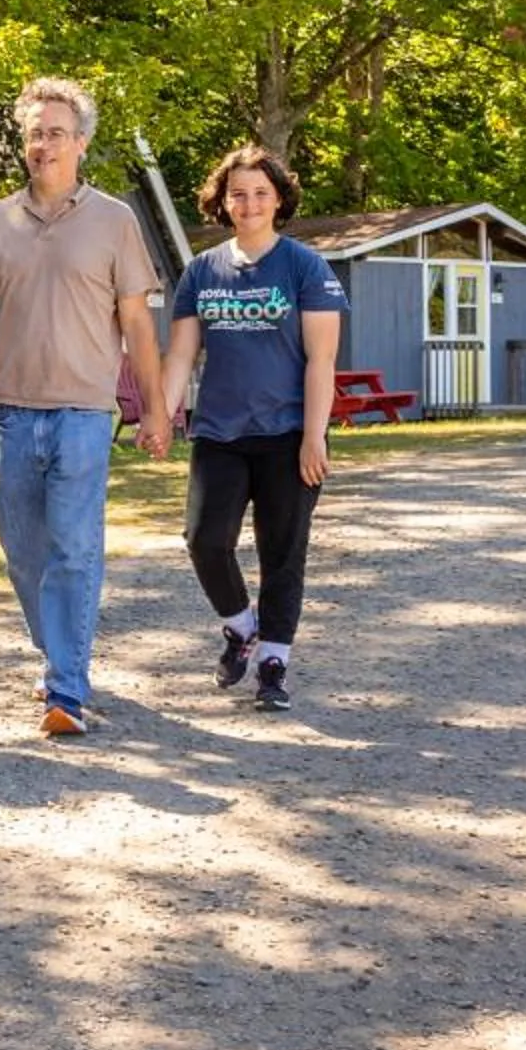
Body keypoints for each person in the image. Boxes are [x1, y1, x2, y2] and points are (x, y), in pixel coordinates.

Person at [0, 77, 168, 737]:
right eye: (35, 132)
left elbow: (138, 323)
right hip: (10, 410)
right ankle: (59, 655)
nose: (45, 143)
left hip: (85, 412)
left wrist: (154, 409)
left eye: (57, 132)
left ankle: (66, 689)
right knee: (22, 548)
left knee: (73, 547)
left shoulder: (114, 221)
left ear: (82, 142)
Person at [156, 144, 345, 711]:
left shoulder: (305, 267)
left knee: (282, 552)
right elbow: (181, 356)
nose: (250, 202)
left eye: (261, 192)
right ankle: (242, 627)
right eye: (238, 193)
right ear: (223, 201)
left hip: (290, 434)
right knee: (204, 540)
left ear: (279, 198)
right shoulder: (201, 272)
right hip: (220, 433)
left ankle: (273, 667)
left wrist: (315, 435)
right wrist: (160, 417)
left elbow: (322, 360)